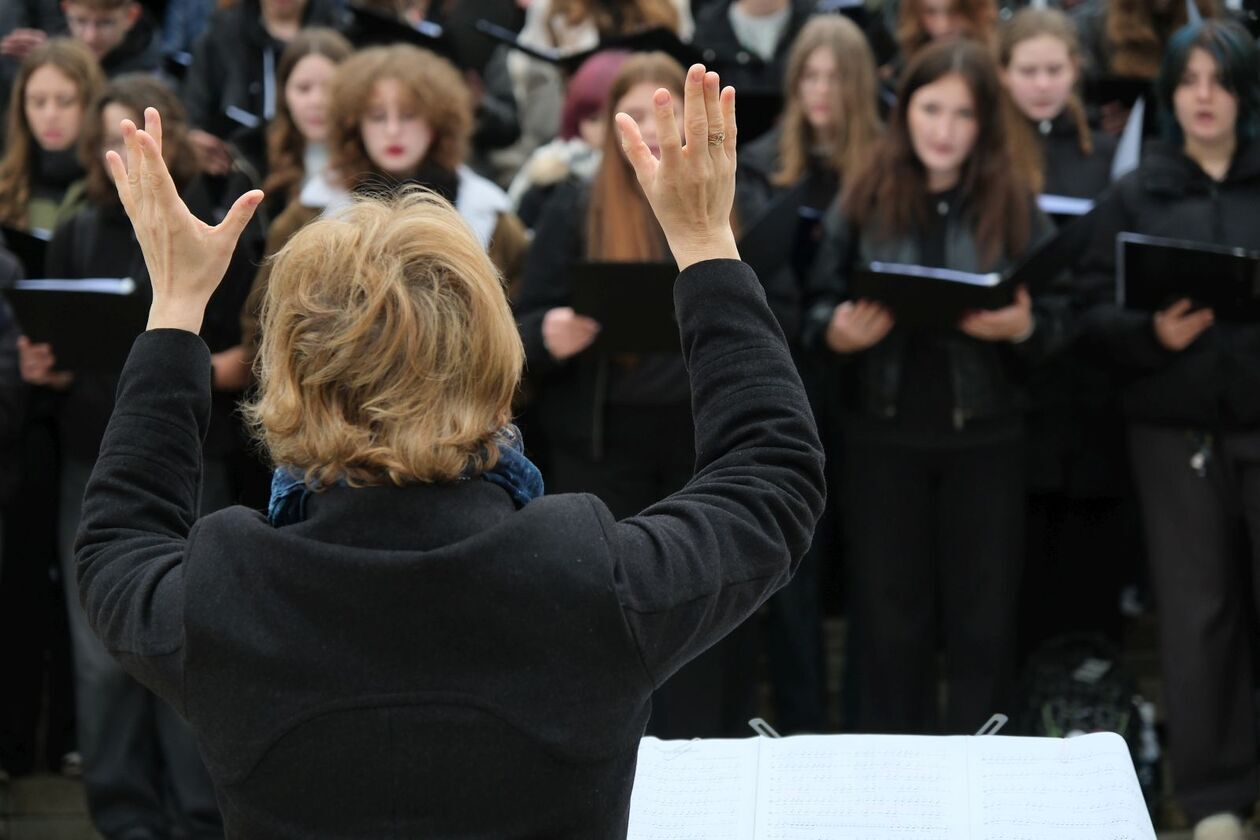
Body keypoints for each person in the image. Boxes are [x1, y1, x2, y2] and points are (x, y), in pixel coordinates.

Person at [74, 62, 825, 837]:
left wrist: (175, 311)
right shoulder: (588, 577)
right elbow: (771, 478)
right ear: (496, 369)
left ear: (288, 380)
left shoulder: (229, 590)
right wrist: (705, 246)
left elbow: (115, 544)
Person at [19, 73, 262, 840]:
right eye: (114, 138)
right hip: (95, 452)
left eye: (142, 136)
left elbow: (249, 347)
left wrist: (200, 357)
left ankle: (198, 815)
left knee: (196, 637)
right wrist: (45, 368)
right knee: (102, 653)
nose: (126, 153)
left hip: (199, 451)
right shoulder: (82, 228)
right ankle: (124, 818)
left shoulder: (213, 221)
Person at [803, 38, 1063, 735]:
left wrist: (1022, 329)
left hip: (987, 439)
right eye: (930, 108)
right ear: (905, 111)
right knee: (890, 623)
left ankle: (986, 773)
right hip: (883, 435)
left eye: (963, 114)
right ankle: (897, 784)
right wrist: (834, 332)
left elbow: (1061, 321)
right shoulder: (864, 197)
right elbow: (810, 304)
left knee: (983, 622)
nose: (944, 129)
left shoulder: (1012, 204)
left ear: (984, 124)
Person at [1075, 21, 1260, 840]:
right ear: (1170, 94)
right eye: (1188, 81)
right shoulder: (1137, 193)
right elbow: (1086, 312)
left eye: (1219, 80)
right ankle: (1216, 799)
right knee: (1197, 615)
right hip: (1172, 433)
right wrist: (1153, 336)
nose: (1204, 96)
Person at [735, 11, 882, 733]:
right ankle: (797, 723)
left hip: (871, 386)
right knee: (796, 560)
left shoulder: (886, 166)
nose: (821, 89)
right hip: (791, 374)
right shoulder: (763, 163)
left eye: (835, 76)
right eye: (810, 75)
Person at [239, 43, 529, 368]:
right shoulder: (309, 214)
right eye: (377, 117)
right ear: (355, 125)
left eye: (408, 116)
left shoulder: (491, 214)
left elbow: (518, 332)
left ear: (436, 123)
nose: (392, 130)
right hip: (340, 405)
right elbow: (265, 325)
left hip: (460, 407)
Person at [998, 6, 1131, 652]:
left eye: (1055, 69)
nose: (1042, 83)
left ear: (1077, 71)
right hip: (1017, 376)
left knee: (1088, 554)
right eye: (1028, 70)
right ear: (1003, 75)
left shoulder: (1103, 157)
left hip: (1089, 376)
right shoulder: (989, 156)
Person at [0, 37, 102, 234]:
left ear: (90, 102)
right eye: (38, 102)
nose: (50, 115)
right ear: (22, 107)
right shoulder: (6, 182)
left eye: (65, 101)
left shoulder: (113, 189)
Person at [258, 26, 352, 219]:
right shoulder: (253, 158)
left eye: (330, 89)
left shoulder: (375, 164)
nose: (316, 101)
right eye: (303, 88)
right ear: (284, 94)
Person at [61, 0, 161, 77]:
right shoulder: (55, 57)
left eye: (105, 23)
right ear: (66, 9)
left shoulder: (152, 77)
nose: (90, 37)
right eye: (81, 21)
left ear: (131, 16)